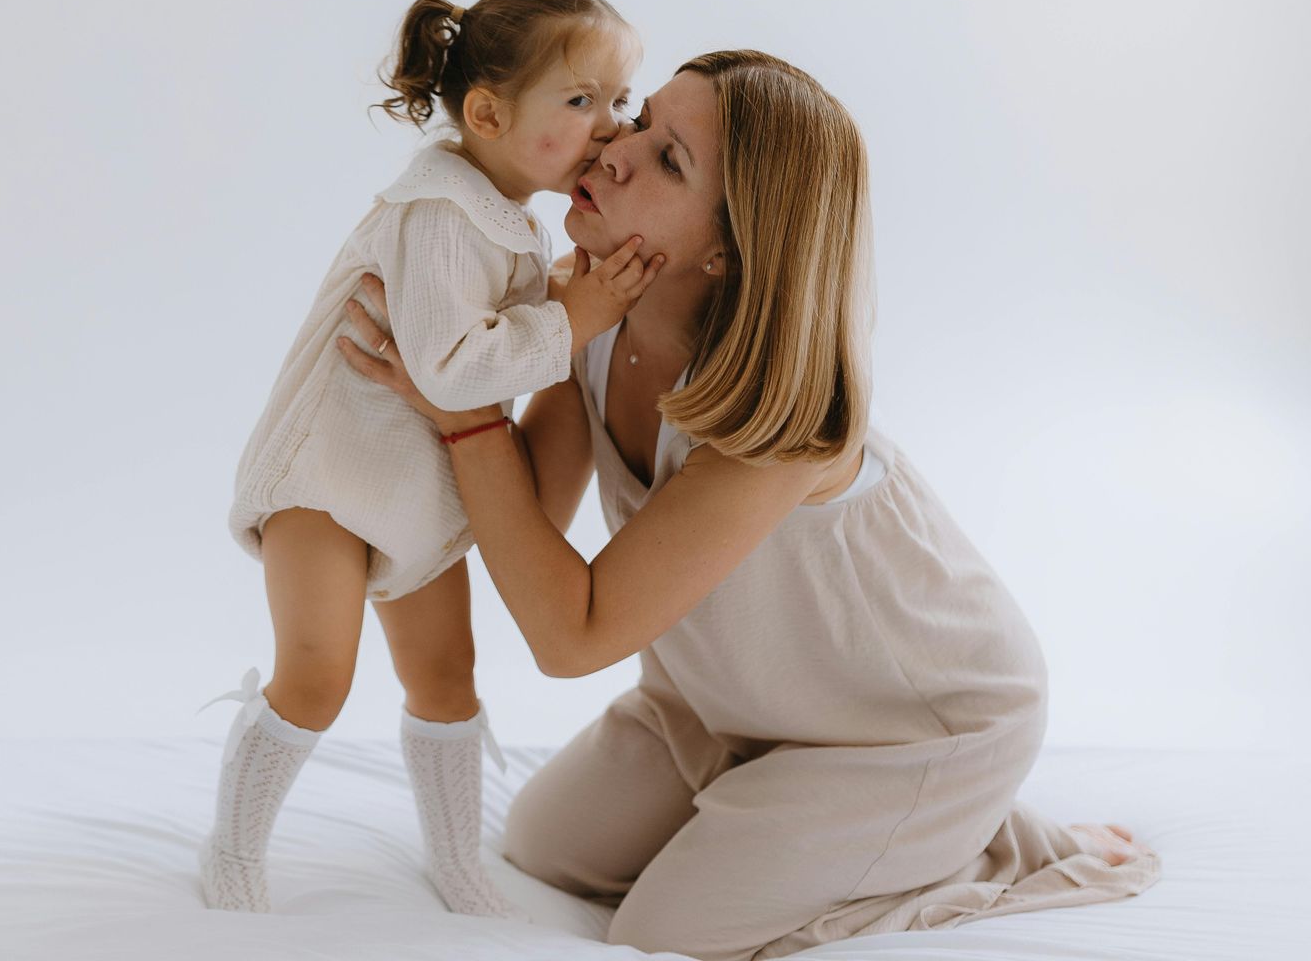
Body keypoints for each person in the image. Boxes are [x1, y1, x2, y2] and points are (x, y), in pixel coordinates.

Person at [335, 50, 1162, 960]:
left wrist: (467, 416)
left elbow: (568, 636)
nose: (614, 149)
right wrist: (451, 374)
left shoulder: (783, 425)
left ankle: (985, 840)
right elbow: (520, 519)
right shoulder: (585, 325)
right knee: (545, 847)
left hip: (908, 732)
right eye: (642, 119)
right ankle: (784, 792)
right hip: (720, 699)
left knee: (670, 931)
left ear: (729, 245)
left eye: (669, 159)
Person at [200, 0, 666, 915]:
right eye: (582, 103)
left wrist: (569, 301)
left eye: (618, 101)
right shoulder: (440, 214)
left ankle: (457, 860)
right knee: (318, 675)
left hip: (412, 498)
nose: (612, 127)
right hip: (326, 485)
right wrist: (573, 318)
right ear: (488, 112)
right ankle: (234, 848)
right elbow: (454, 372)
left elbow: (494, 363)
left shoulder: (510, 222)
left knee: (447, 677)